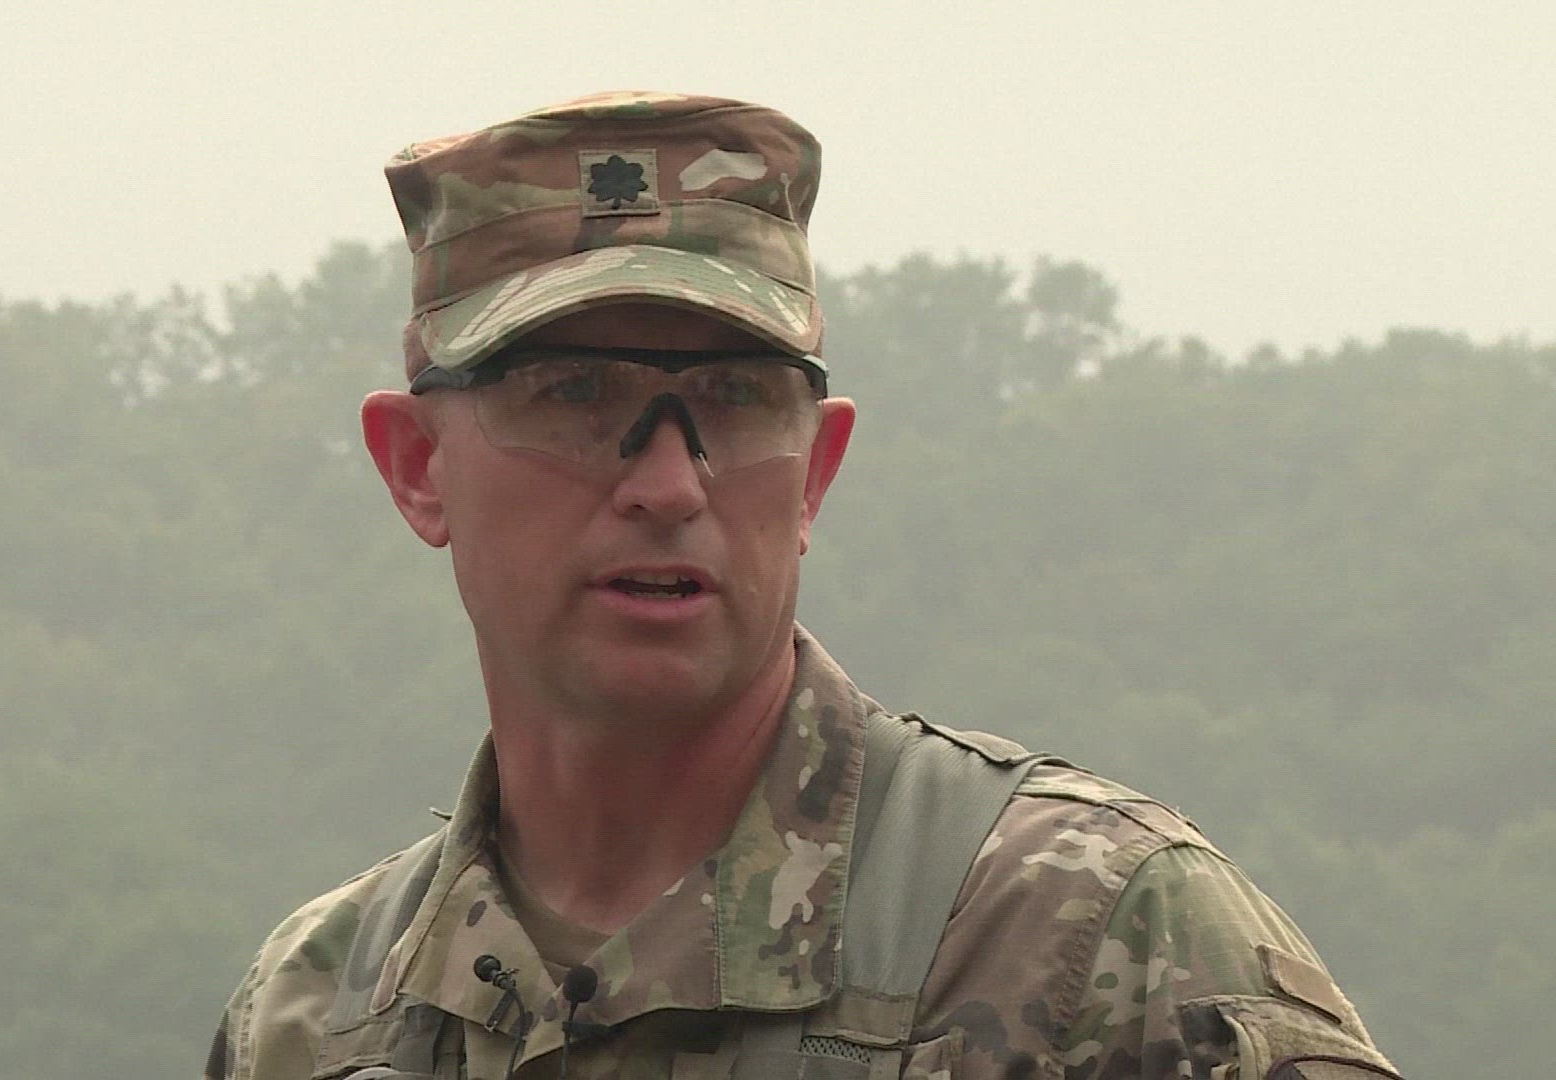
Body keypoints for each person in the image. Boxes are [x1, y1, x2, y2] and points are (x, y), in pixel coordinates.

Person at [205, 91, 1401, 1080]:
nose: (667, 483)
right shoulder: (318, 1016)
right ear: (418, 468)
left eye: (734, 399)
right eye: (572, 394)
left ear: (816, 472)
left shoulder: (1087, 943)